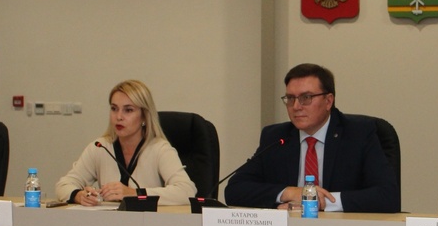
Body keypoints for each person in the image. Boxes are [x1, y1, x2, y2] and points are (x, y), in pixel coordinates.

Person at [224, 63, 399, 213]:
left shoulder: (358, 134)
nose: (296, 106)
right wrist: (289, 193)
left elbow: (387, 196)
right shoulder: (276, 137)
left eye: (306, 98)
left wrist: (317, 201)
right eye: (290, 98)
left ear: (328, 101)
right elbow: (235, 189)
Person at [55, 79, 196, 206]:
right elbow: (63, 185)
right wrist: (79, 196)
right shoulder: (100, 147)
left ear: (144, 116)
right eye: (114, 109)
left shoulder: (159, 149)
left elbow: (186, 191)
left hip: (148, 224)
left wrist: (135, 193)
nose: (119, 117)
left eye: (128, 110)